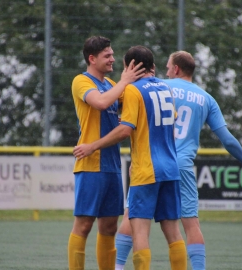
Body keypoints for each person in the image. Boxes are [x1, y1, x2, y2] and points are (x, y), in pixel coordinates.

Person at [114, 51, 242, 270]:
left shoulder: (159, 86)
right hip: (179, 166)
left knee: (133, 217)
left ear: (175, 69)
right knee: (190, 225)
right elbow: (228, 140)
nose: (164, 70)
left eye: (167, 67)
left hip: (151, 162)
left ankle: (118, 266)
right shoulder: (206, 99)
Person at [73, 45, 187, 270]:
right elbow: (172, 128)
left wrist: (93, 146)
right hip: (171, 169)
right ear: (153, 67)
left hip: (146, 170)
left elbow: (125, 130)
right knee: (173, 232)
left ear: (129, 67)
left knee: (140, 232)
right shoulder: (166, 89)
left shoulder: (133, 90)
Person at [68, 36, 145, 270]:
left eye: (112, 54)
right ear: (92, 59)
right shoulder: (81, 81)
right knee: (83, 225)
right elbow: (101, 103)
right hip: (91, 164)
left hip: (112, 166)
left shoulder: (112, 84)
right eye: (107, 55)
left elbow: (131, 100)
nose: (113, 58)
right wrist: (124, 81)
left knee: (110, 226)